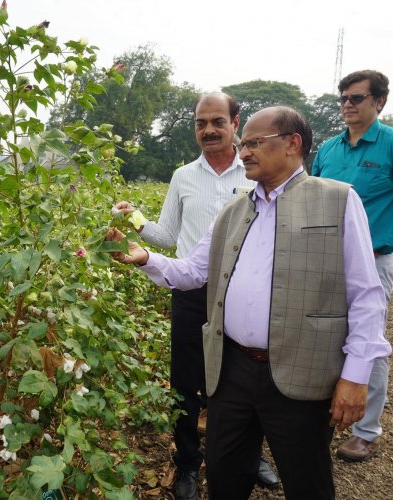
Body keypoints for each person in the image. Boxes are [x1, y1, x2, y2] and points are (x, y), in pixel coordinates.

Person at [108, 106, 391, 499]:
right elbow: (193, 271)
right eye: (244, 145)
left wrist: (356, 375)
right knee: (225, 475)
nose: (243, 153)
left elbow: (366, 295)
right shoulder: (234, 210)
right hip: (232, 369)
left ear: (293, 144)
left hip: (300, 370)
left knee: (306, 478)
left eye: (255, 143)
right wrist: (146, 258)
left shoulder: (337, 201)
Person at [113, 92, 278, 498]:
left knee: (242, 380)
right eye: (201, 123)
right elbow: (168, 235)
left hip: (242, 293)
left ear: (235, 123)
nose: (208, 130)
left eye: (217, 121)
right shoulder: (183, 176)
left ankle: (249, 455)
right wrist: (133, 217)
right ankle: (187, 463)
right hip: (191, 288)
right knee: (186, 383)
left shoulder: (256, 170)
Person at [313, 70, 393, 462]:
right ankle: (324, 411)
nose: (348, 105)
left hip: (371, 260)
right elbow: (313, 195)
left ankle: (366, 430)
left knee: (369, 343)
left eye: (357, 98)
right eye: (344, 99)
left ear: (379, 102)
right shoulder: (329, 150)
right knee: (323, 332)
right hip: (325, 258)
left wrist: (387, 226)